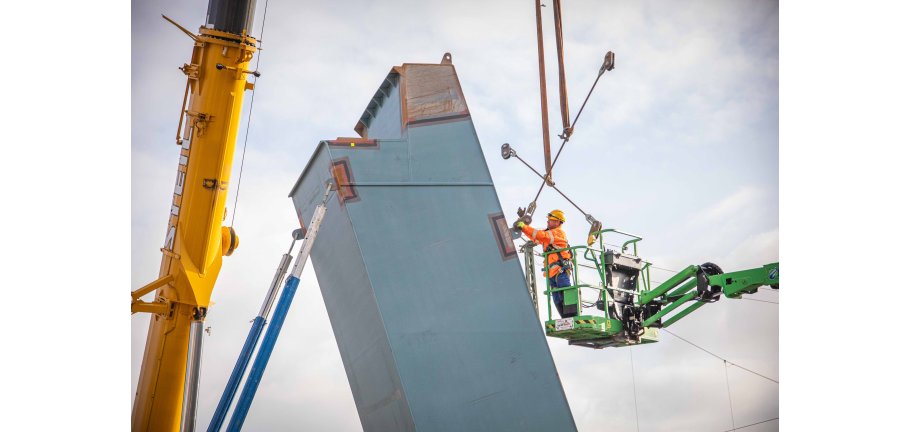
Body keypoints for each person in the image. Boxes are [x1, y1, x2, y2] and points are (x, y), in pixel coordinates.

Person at [516, 209, 576, 318]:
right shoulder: (549, 234)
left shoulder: (558, 233)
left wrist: (524, 227)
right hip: (552, 272)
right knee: (556, 297)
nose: (548, 221)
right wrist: (524, 228)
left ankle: (573, 317)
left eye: (550, 220)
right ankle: (565, 319)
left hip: (560, 270)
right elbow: (536, 237)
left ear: (557, 222)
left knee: (565, 291)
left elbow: (541, 235)